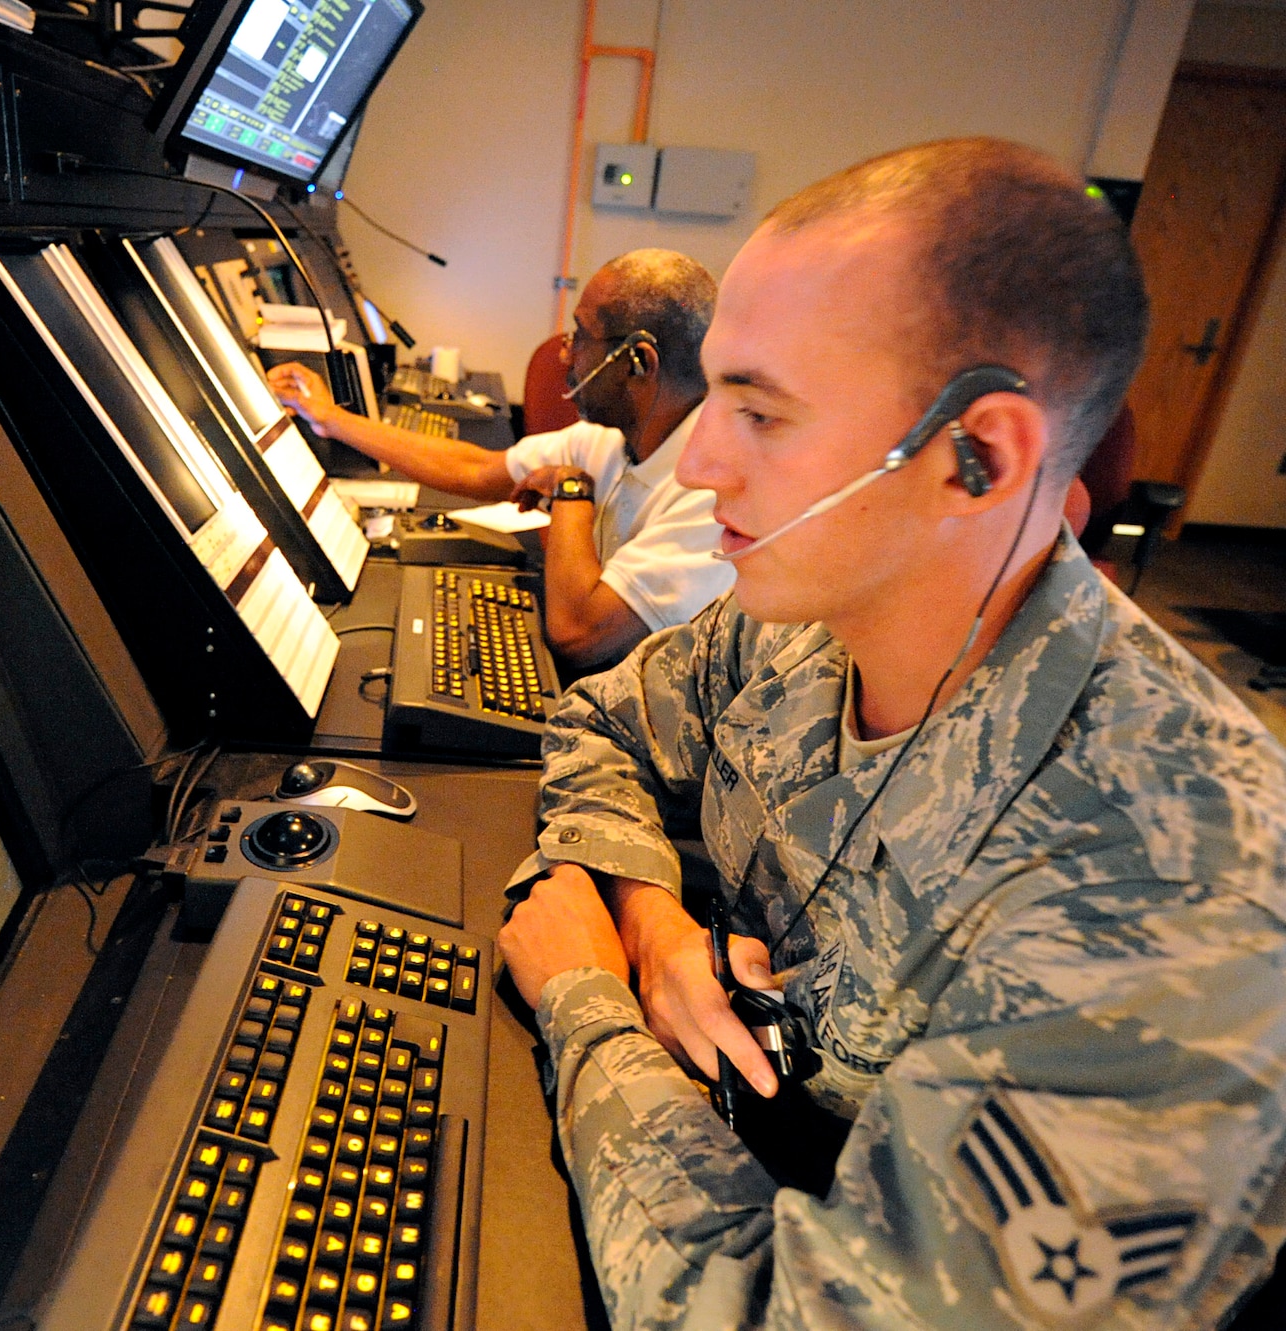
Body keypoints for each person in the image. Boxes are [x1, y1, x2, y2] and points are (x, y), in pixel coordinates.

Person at [496, 137, 1286, 1329]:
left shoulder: (1181, 889)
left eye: (759, 411)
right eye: (713, 395)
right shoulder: (802, 624)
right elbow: (599, 720)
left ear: (978, 455)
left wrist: (583, 996)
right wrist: (650, 927)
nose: (699, 460)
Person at [266, 250, 730, 671]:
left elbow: (580, 633)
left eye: (581, 336)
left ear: (637, 362)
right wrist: (329, 418)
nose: (566, 351)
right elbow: (475, 469)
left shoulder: (712, 494)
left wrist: (572, 492)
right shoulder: (608, 439)